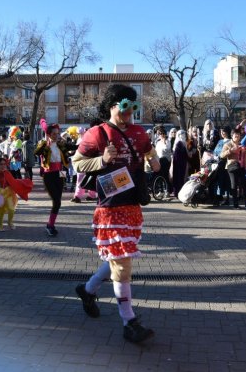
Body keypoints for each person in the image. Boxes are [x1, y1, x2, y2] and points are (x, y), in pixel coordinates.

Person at [72, 84, 161, 343]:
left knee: (119, 257)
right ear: (112, 107)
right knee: (122, 264)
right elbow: (76, 162)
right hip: (110, 205)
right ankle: (129, 321)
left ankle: (88, 290)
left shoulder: (139, 132)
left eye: (133, 107)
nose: (129, 112)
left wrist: (154, 161)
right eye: (124, 106)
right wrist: (102, 160)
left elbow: (148, 151)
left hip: (132, 203)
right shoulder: (97, 133)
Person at [35, 120, 70, 237]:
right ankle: (50, 226)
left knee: (58, 202)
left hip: (60, 173)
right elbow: (36, 152)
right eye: (54, 134)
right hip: (49, 175)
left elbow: (71, 149)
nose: (57, 136)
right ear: (49, 134)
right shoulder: (44, 144)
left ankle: (51, 224)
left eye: (57, 133)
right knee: (57, 201)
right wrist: (45, 143)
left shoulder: (60, 144)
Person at [0, 157, 33, 232]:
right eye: (1, 164)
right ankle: (0, 225)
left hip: (8, 193)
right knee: (1, 210)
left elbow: (14, 182)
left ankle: (10, 222)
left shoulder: (7, 173)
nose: (3, 166)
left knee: (11, 209)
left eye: (4, 164)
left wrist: (25, 183)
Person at [221, 129, 246, 209]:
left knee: (245, 185)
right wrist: (230, 151)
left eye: (238, 135)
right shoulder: (228, 144)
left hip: (242, 166)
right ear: (232, 136)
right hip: (232, 166)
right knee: (234, 185)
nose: (237, 137)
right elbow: (222, 155)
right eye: (235, 135)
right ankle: (235, 204)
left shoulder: (242, 144)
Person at [170, 129, 189, 197]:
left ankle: (178, 192)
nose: (182, 136)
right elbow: (178, 156)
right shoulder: (179, 144)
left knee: (180, 179)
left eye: (183, 134)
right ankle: (177, 193)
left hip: (181, 164)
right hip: (179, 164)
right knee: (179, 179)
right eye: (181, 135)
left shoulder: (182, 144)